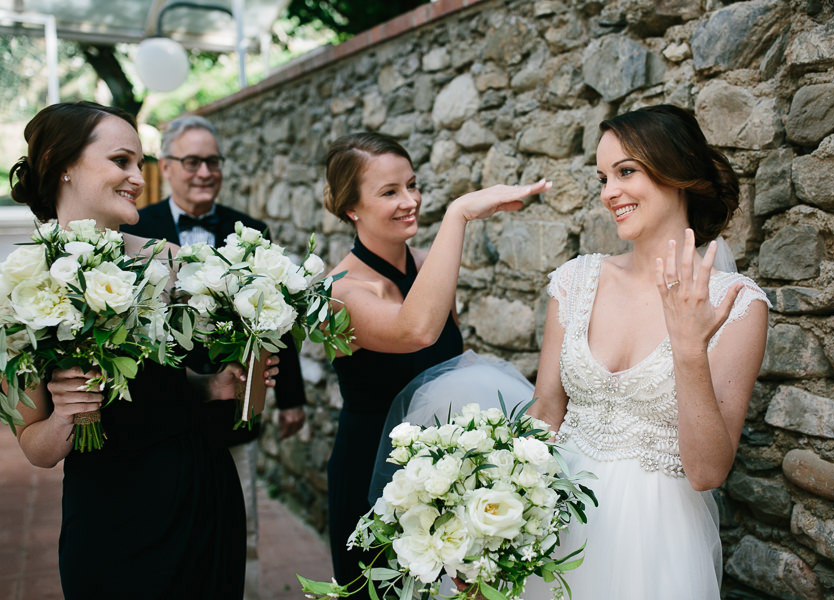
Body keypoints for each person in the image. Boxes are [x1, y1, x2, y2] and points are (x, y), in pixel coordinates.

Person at [7, 101, 282, 599]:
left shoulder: (176, 264)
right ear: (60, 163)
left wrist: (227, 375)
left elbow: (244, 408)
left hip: (199, 494)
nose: (137, 177)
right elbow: (36, 448)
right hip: (106, 514)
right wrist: (67, 414)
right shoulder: (20, 287)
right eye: (121, 161)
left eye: (140, 163)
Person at [522, 104, 770, 599]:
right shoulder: (574, 281)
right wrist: (490, 510)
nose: (609, 192)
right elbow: (545, 414)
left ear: (676, 173)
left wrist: (688, 351)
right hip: (556, 523)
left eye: (626, 172)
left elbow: (707, 472)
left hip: (656, 541)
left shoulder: (735, 303)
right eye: (603, 177)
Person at [321, 132, 550, 597]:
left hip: (450, 471)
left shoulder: (429, 264)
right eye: (389, 192)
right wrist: (459, 213)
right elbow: (416, 331)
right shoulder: (339, 292)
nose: (410, 201)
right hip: (374, 475)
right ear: (351, 208)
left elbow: (451, 357)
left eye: (413, 184)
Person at [121, 115, 307, 600]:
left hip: (233, 408)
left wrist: (290, 398)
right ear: (167, 165)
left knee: (239, 524)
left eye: (213, 161)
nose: (205, 171)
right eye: (192, 161)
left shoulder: (251, 231)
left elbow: (278, 320)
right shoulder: (138, 230)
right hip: (161, 407)